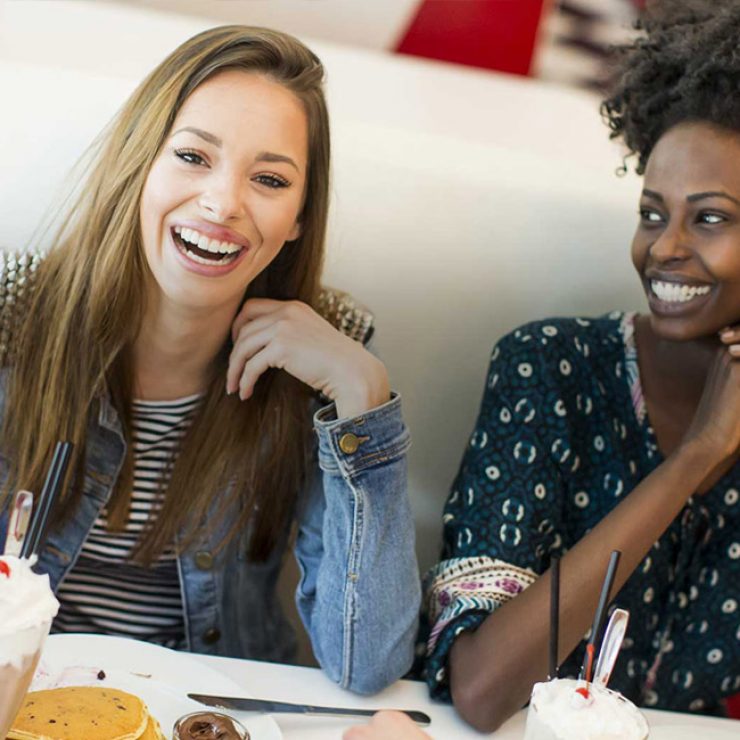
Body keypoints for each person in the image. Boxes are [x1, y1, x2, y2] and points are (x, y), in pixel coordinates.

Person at [0, 26, 420, 694]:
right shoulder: (12, 317)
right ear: (140, 163)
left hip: (208, 715)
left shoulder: (324, 361)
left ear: (299, 218)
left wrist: (365, 398)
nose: (223, 203)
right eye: (194, 157)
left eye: (269, 179)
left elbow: (365, 663)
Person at [421, 4, 740, 731]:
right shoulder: (550, 369)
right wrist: (696, 457)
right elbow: (480, 689)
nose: (664, 248)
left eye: (710, 218)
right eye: (652, 213)